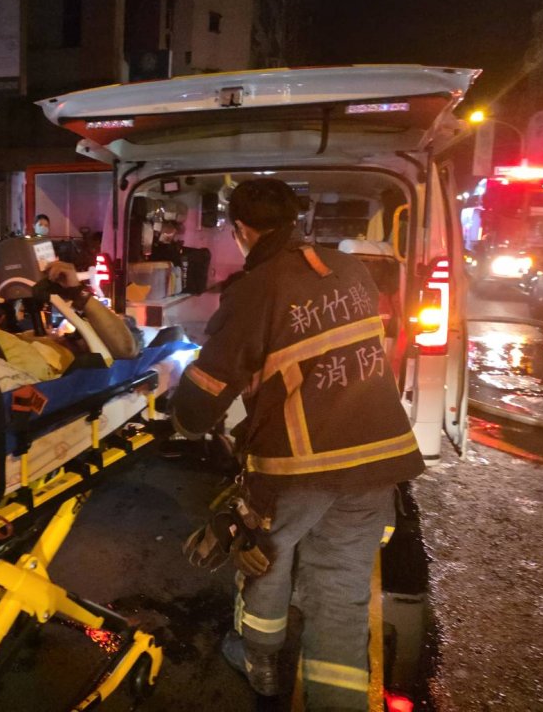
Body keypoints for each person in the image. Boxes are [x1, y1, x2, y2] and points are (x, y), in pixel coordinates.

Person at [171, 178, 424, 709]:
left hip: (299, 465)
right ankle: (340, 700)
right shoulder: (349, 269)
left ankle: (258, 661)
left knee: (264, 558)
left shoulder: (257, 287)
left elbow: (209, 388)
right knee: (341, 590)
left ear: (241, 229)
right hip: (378, 461)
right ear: (294, 220)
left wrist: (185, 414)